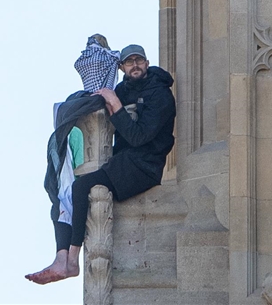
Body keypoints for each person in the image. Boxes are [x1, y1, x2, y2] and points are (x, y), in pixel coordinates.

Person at [26, 44, 176, 285]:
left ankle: (72, 261)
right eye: (129, 62)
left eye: (139, 60)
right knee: (63, 189)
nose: (135, 65)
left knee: (81, 187)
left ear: (147, 64)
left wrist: (115, 104)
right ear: (122, 67)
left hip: (146, 166)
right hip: (124, 161)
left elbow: (138, 137)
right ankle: (60, 255)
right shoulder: (123, 89)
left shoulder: (160, 94)